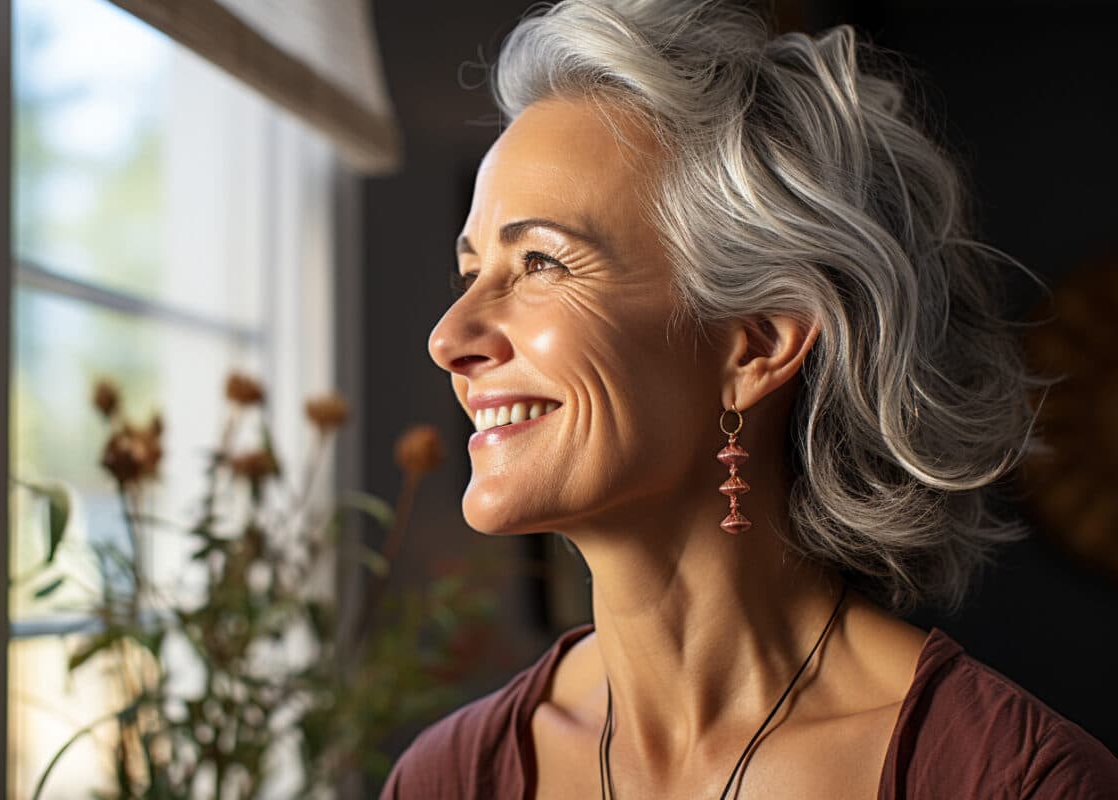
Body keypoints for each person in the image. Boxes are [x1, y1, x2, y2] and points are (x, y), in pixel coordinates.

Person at [384, 0, 1118, 797]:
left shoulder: (1014, 782)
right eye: (470, 274)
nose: (450, 336)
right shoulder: (446, 779)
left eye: (541, 264)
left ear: (758, 343)